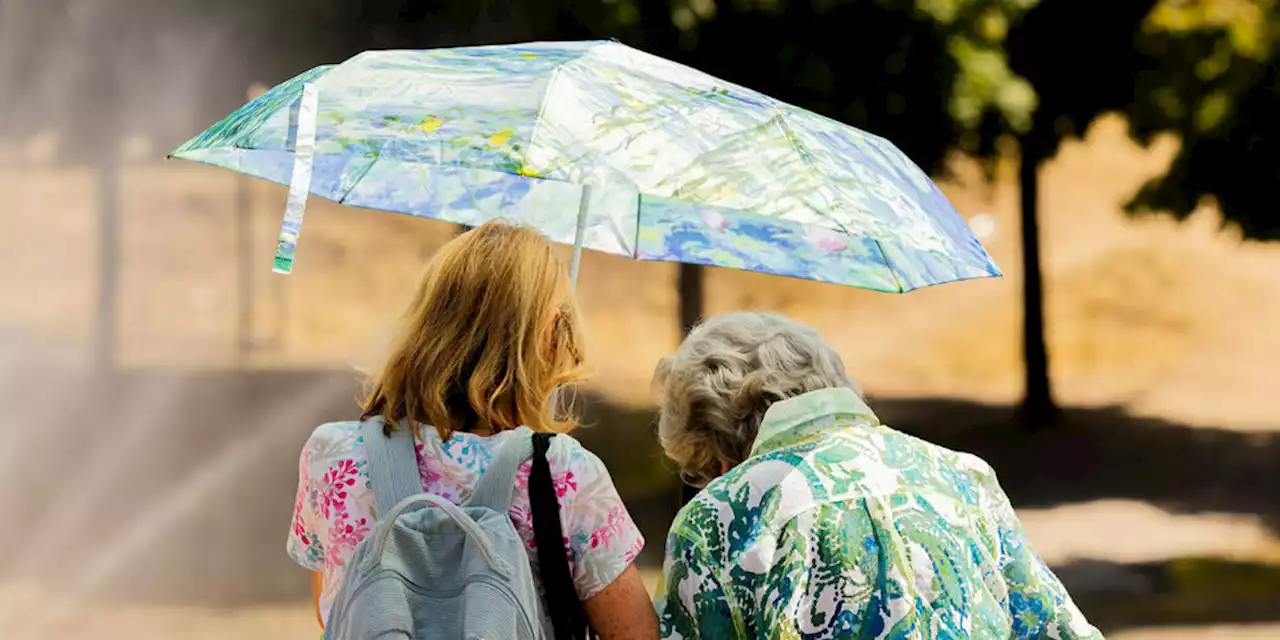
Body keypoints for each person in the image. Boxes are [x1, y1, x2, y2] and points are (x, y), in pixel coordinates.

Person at [287, 221, 657, 639]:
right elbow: (634, 633)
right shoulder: (565, 474)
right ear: (550, 334)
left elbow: (335, 608)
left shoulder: (332, 455)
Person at [650, 311, 1102, 639]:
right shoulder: (963, 476)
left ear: (715, 447)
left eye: (702, 470)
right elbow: (1057, 630)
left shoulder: (717, 520)